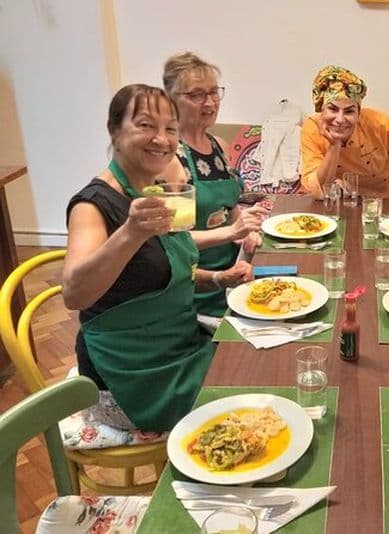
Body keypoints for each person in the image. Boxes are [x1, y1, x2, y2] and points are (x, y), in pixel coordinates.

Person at [62, 84, 217, 432]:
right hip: (128, 383)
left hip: (177, 352)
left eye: (170, 129)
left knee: (254, 366)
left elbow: (168, 265)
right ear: (114, 131)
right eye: (145, 125)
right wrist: (131, 232)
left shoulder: (152, 189)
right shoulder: (92, 205)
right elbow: (74, 294)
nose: (161, 139)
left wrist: (218, 277)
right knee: (245, 389)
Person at [162, 51, 266, 317]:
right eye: (197, 95)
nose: (209, 102)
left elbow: (229, 209)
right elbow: (178, 242)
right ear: (172, 100)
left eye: (213, 92)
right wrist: (233, 233)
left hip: (233, 274)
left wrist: (246, 233)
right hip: (197, 289)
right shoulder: (174, 159)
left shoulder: (219, 146)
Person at [300, 65, 389, 204]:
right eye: (333, 109)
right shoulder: (312, 129)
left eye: (349, 111)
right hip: (360, 196)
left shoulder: (378, 121)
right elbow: (319, 192)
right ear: (321, 110)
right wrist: (335, 145)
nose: (340, 119)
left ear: (358, 113)